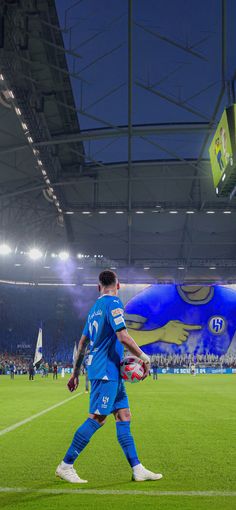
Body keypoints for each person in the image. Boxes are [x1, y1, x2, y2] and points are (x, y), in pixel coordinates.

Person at [56, 270, 162, 484]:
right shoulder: (114, 304)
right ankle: (66, 465)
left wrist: (75, 373)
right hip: (105, 371)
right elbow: (123, 336)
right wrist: (145, 358)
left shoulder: (94, 309)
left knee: (124, 416)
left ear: (98, 287)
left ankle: (137, 468)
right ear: (119, 285)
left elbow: (83, 342)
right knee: (97, 418)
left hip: (110, 370)